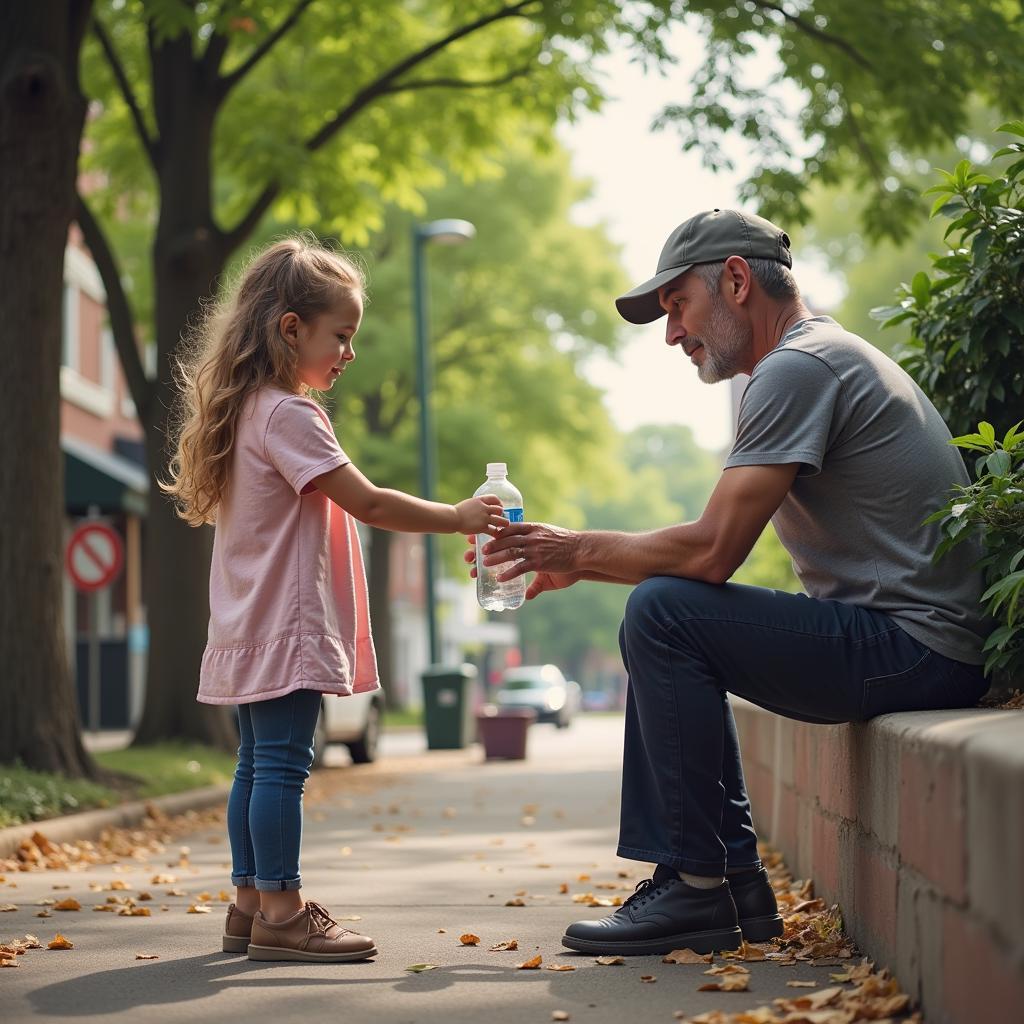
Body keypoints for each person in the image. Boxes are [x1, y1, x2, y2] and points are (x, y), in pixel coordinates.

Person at [471, 208, 991, 956]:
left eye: (678, 304)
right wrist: (574, 563)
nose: (672, 331)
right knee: (668, 610)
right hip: (914, 644)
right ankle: (729, 881)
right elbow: (706, 543)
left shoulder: (798, 368)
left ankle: (695, 887)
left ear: (737, 282)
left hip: (916, 649)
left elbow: (712, 554)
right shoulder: (808, 361)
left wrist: (577, 547)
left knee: (663, 613)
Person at [162, 235, 508, 963]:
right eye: (340, 336)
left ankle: (249, 905)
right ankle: (284, 912)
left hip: (247, 619)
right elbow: (371, 503)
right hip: (287, 621)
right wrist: (458, 515)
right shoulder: (290, 415)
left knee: (256, 764)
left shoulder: (246, 409)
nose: (349, 352)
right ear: (291, 329)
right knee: (283, 764)